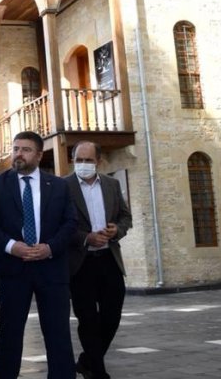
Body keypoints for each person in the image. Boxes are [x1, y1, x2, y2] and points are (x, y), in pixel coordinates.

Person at [0, 131, 76, 379]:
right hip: (13, 268)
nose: (18, 154)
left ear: (39, 154)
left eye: (25, 149)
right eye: (15, 149)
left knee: (58, 333)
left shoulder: (58, 185)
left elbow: (70, 223)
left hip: (51, 268)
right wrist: (12, 245)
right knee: (9, 332)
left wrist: (50, 248)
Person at [66, 141, 132, 379]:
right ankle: (98, 371)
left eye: (88, 160)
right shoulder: (63, 187)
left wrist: (117, 230)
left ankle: (86, 360)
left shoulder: (112, 185)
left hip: (109, 260)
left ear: (98, 161)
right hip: (81, 264)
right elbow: (58, 226)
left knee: (112, 316)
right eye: (78, 160)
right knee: (87, 319)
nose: (83, 164)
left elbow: (125, 217)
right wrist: (85, 238)